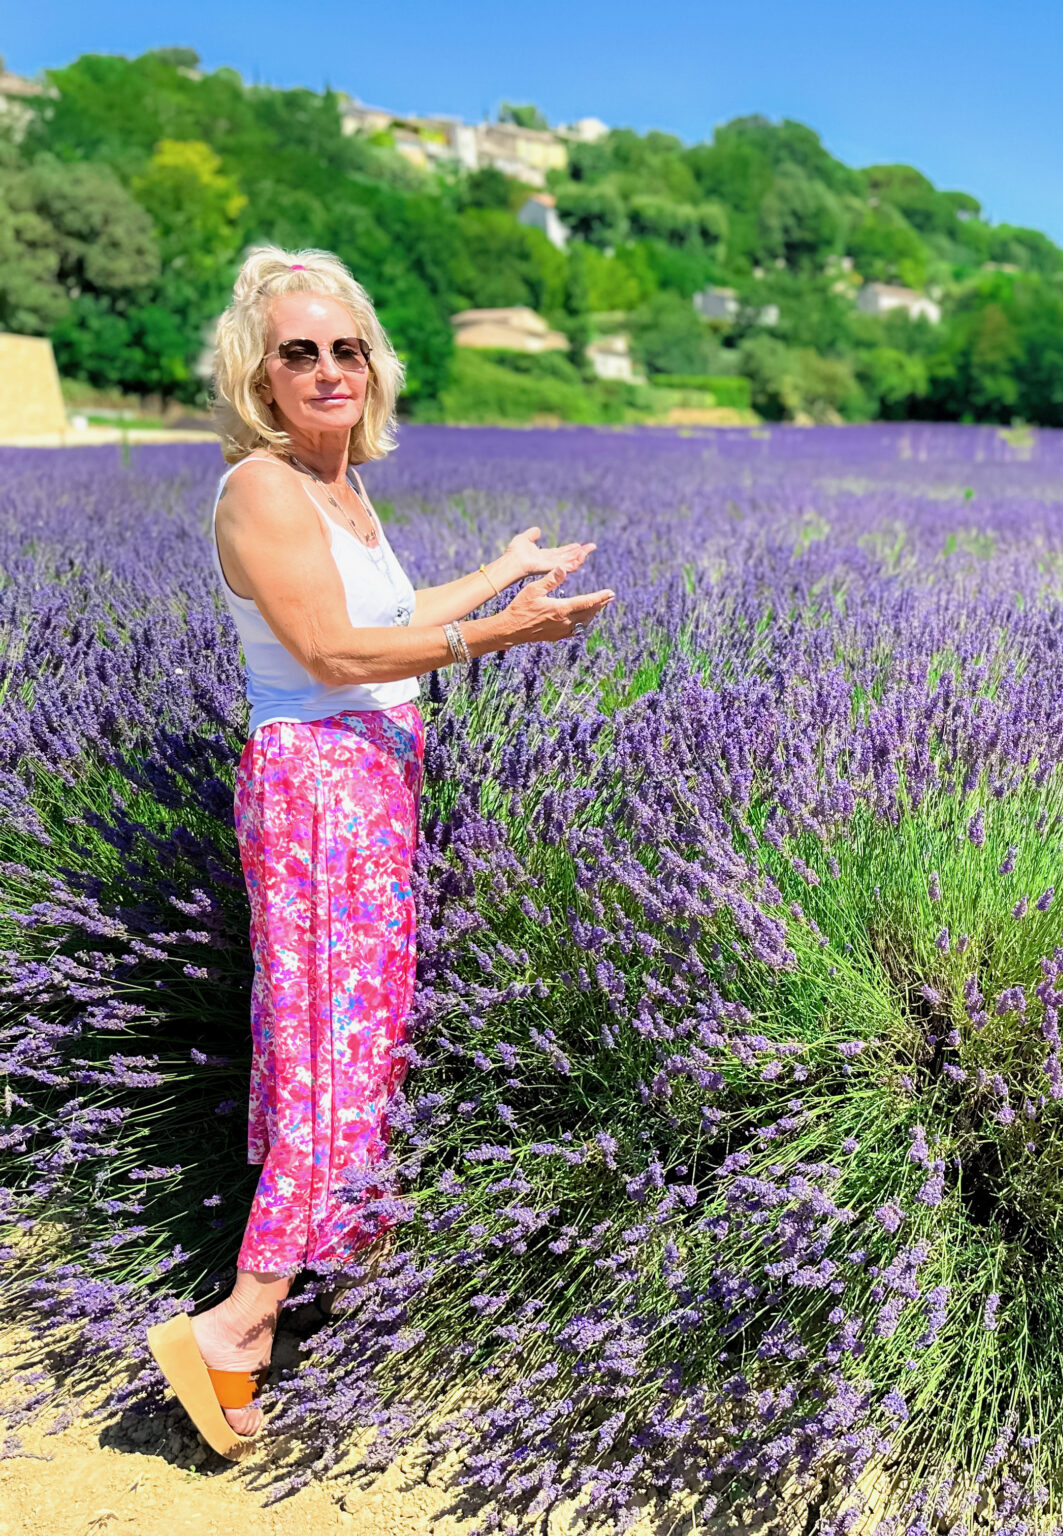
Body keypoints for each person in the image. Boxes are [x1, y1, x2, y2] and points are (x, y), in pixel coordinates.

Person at [145, 246, 616, 1459]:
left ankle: (343, 1298)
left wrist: (501, 574)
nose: (326, 368)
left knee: (363, 1049)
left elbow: (383, 619)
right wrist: (496, 638)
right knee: (326, 1063)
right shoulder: (261, 488)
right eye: (295, 350)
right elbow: (330, 658)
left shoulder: (340, 491)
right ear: (258, 374)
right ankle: (238, 1326)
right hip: (317, 798)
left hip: (372, 791)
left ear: (373, 368)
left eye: (344, 347)